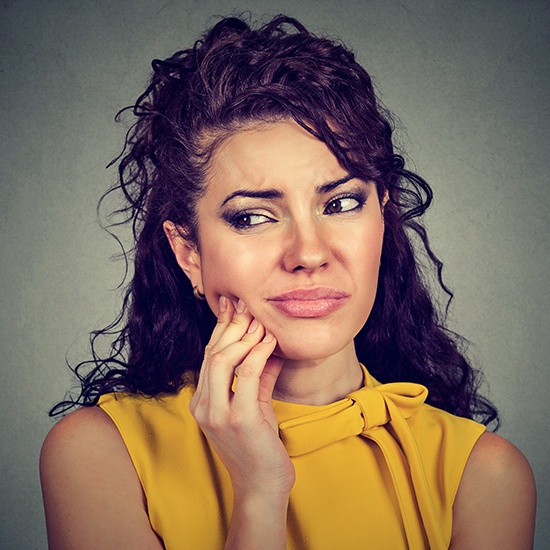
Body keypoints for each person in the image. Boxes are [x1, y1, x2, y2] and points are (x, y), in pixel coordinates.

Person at [40, 14, 536, 550]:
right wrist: (259, 494)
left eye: (342, 204)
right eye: (253, 216)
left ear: (383, 219)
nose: (309, 254)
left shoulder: (483, 476)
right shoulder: (99, 455)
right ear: (189, 253)